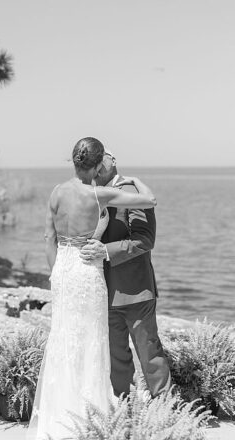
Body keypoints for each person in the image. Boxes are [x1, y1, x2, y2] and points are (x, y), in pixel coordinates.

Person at [26, 137, 157, 440]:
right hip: (86, 273)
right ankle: (88, 417)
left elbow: (48, 236)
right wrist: (135, 180)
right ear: (98, 166)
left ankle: (58, 417)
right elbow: (149, 201)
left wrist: (56, 272)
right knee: (91, 341)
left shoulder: (57, 192)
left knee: (64, 338)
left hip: (63, 271)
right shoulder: (99, 195)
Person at [79, 149, 171, 397]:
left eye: (104, 155)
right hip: (103, 292)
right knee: (116, 358)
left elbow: (145, 240)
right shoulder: (89, 197)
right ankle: (125, 414)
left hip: (136, 293)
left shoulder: (132, 195)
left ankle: (165, 412)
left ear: (113, 160)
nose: (100, 160)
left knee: (150, 354)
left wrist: (105, 250)